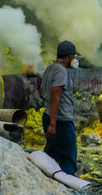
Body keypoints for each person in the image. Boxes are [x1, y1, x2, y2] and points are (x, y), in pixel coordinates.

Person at [41, 40, 81, 175]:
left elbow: (42, 92)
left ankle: (47, 184)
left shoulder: (50, 68)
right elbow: (55, 97)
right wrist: (53, 125)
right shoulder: (61, 71)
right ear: (69, 56)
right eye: (74, 57)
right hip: (61, 122)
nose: (74, 59)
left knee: (50, 155)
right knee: (68, 158)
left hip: (48, 116)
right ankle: (68, 188)